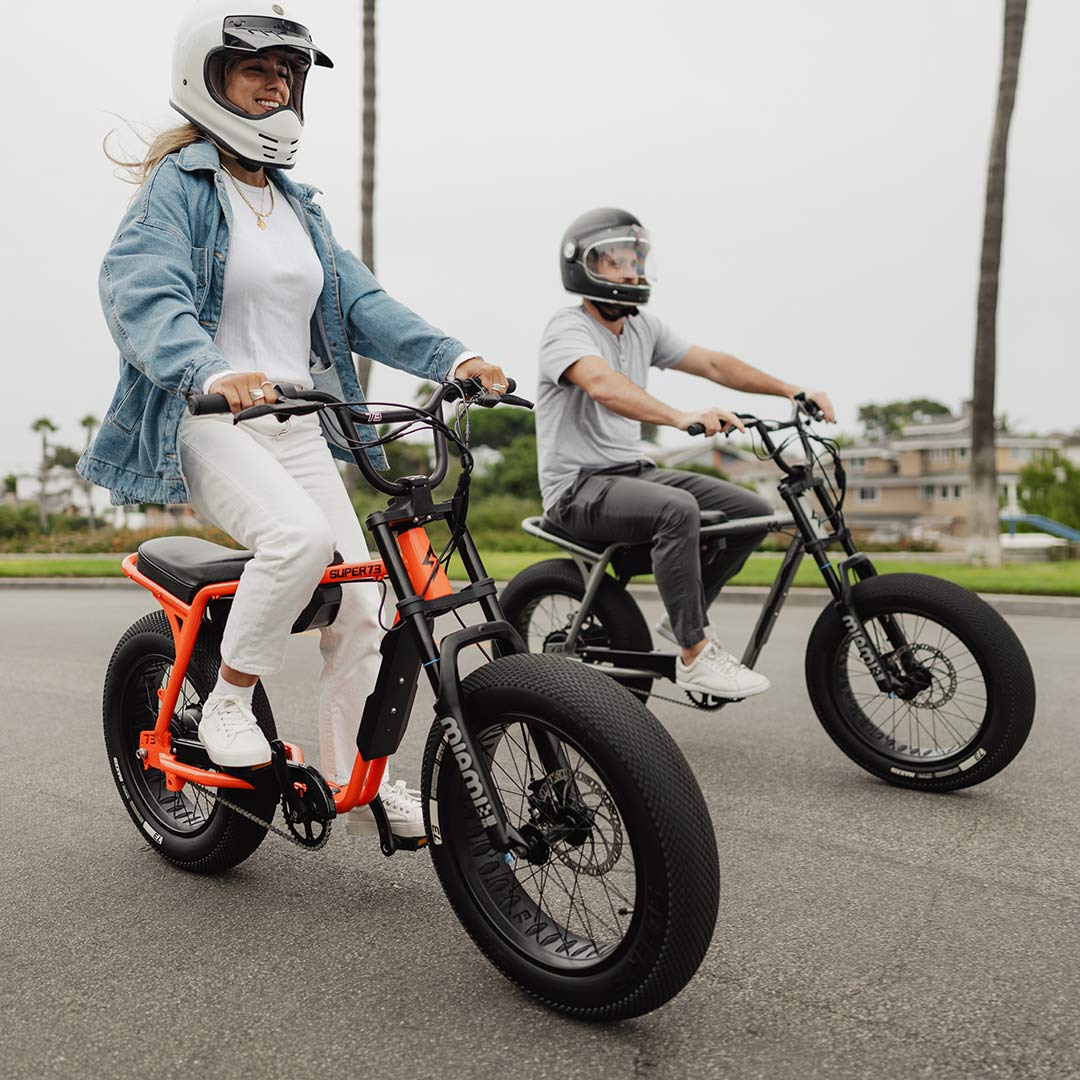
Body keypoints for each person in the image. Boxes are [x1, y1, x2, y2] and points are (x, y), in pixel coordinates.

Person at [78, 0, 509, 838]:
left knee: (365, 606)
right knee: (298, 543)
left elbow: (363, 304)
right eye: (257, 71)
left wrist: (453, 358)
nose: (277, 86)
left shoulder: (299, 206)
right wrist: (208, 369)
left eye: (288, 74)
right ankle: (229, 705)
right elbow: (141, 292)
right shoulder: (182, 189)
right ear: (206, 82)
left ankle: (361, 777)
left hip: (300, 426)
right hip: (209, 423)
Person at [535, 207, 835, 699]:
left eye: (636, 258)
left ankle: (683, 622)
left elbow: (713, 363)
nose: (630, 269)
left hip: (633, 474)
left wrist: (791, 390)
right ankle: (695, 655)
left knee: (754, 511)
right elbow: (601, 384)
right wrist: (679, 416)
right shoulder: (566, 329)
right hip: (577, 488)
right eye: (615, 261)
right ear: (584, 266)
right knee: (679, 509)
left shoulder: (642, 327)